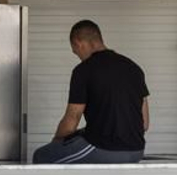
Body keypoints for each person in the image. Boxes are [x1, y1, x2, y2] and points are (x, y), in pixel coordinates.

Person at [31, 20, 150, 165]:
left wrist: (56, 143)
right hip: (137, 151)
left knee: (42, 156)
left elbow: (72, 120)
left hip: (104, 149)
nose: (78, 56)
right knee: (79, 136)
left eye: (75, 51)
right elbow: (144, 123)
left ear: (78, 43)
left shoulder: (83, 70)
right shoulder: (134, 68)